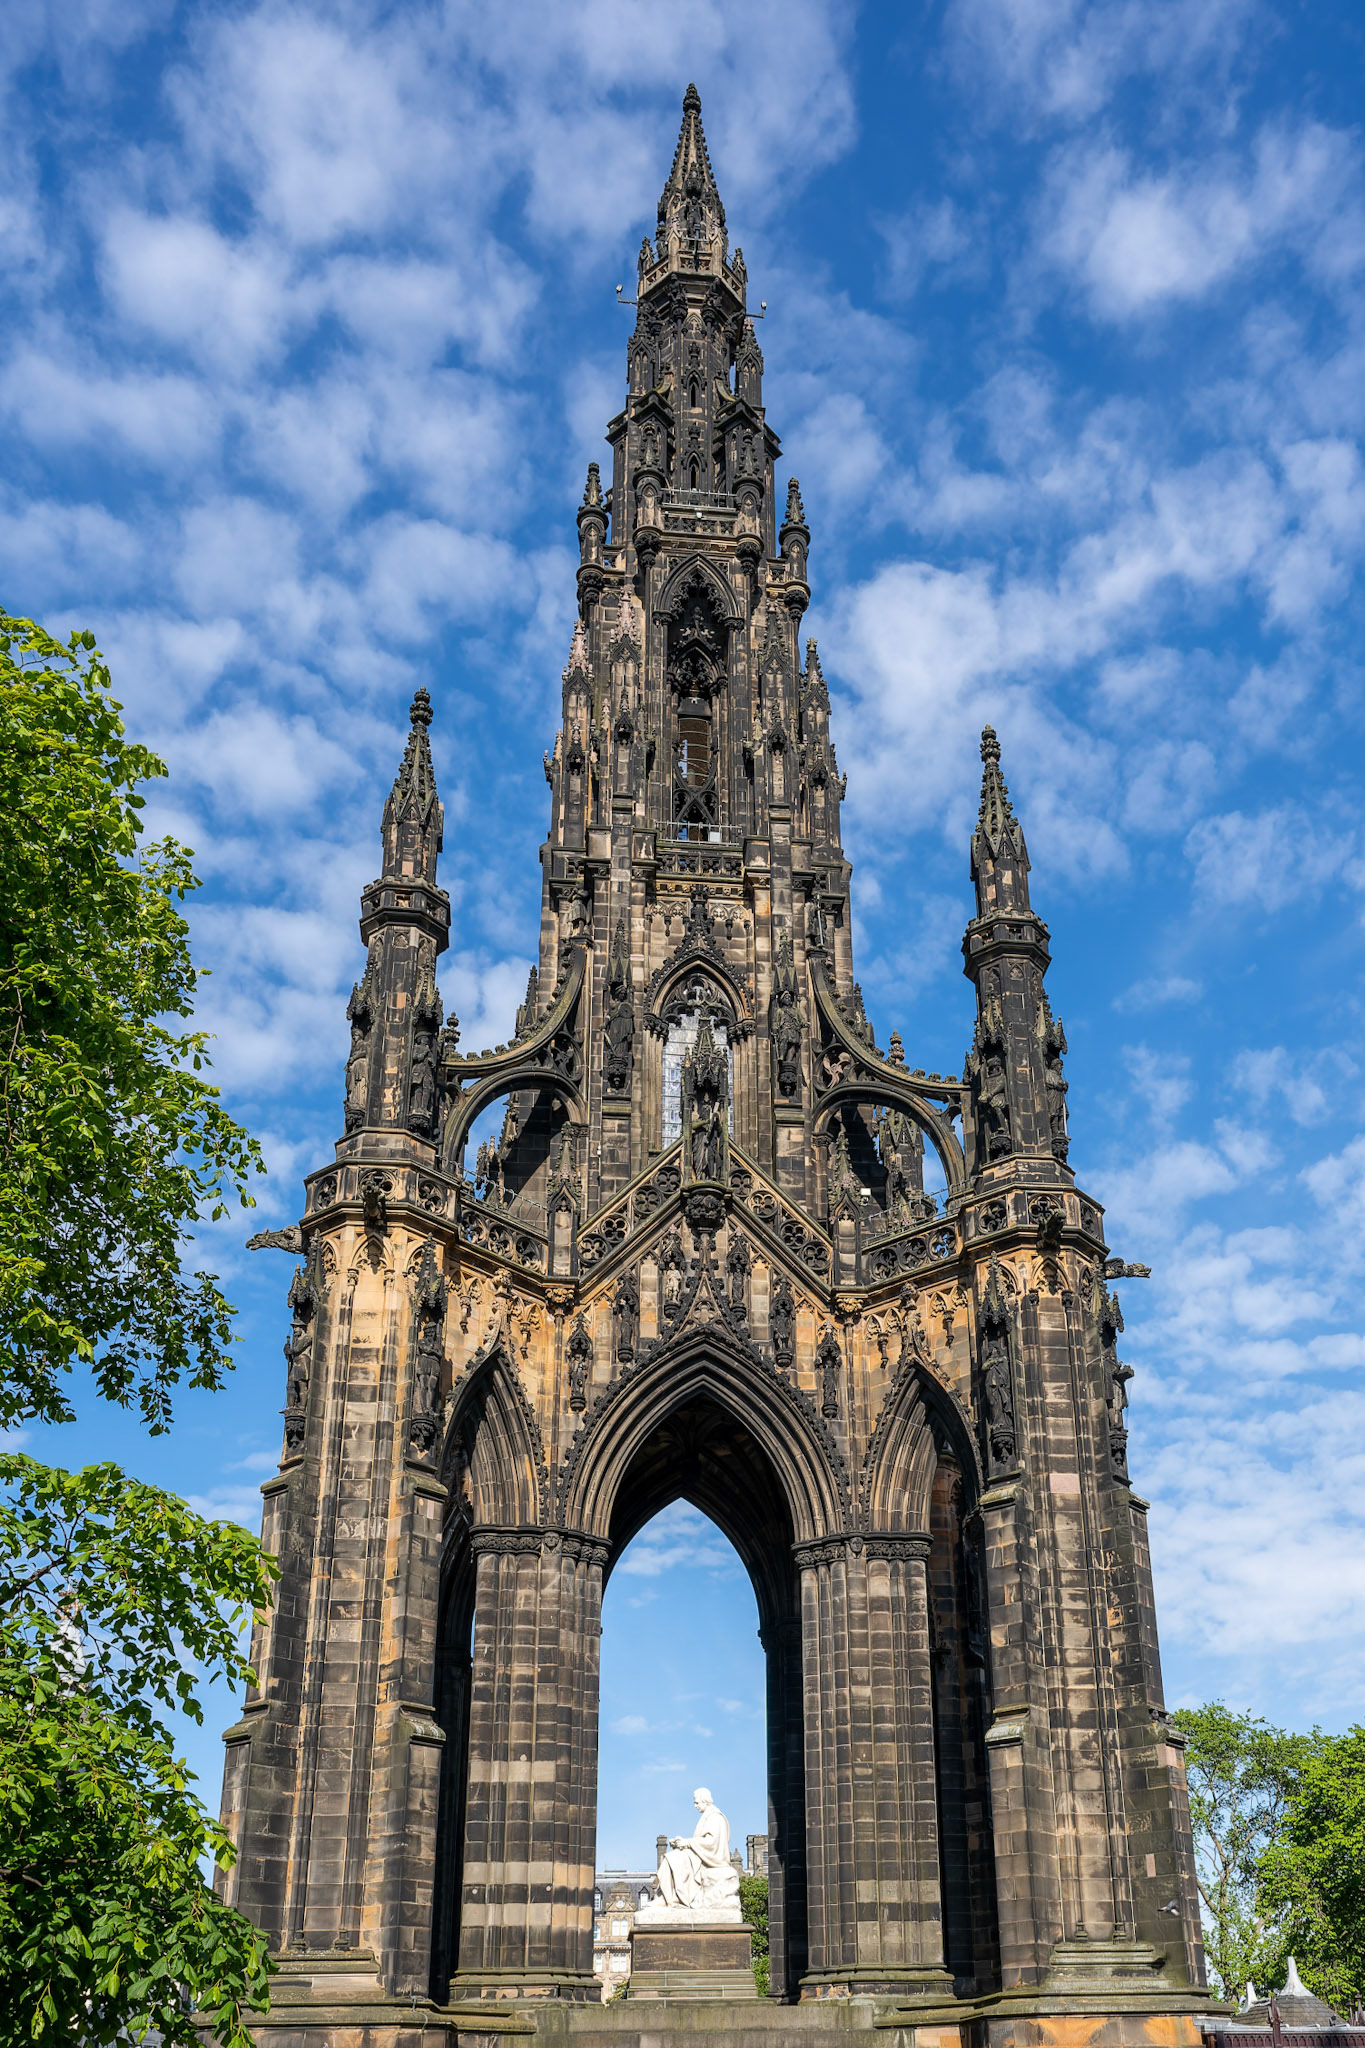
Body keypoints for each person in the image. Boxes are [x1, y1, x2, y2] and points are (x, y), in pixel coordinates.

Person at [653, 1787, 741, 1913]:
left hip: (712, 1858)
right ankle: (666, 1898)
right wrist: (682, 1843)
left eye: (696, 1802)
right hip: (702, 1854)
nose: (695, 1806)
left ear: (705, 1801)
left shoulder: (715, 1817)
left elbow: (712, 1843)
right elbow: (702, 1841)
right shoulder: (708, 1815)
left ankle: (672, 1899)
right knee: (672, 1857)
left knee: (673, 1859)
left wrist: (687, 1843)